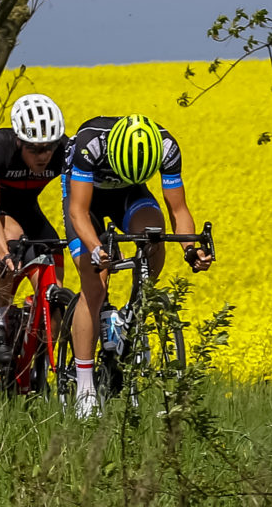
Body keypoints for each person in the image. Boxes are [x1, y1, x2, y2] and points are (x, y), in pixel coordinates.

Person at [63, 114, 213, 417]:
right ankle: (85, 387)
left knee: (153, 235)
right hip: (86, 198)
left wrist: (190, 249)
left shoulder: (166, 147)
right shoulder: (90, 144)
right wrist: (96, 249)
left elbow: (178, 209)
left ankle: (134, 309)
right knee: (95, 282)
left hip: (130, 195)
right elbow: (78, 212)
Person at [0, 94, 68, 364]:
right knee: (12, 239)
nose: (44, 156)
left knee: (52, 285)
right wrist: (5, 253)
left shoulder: (64, 150)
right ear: (19, 141)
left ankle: (35, 363)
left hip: (25, 208)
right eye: (35, 149)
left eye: (49, 148)